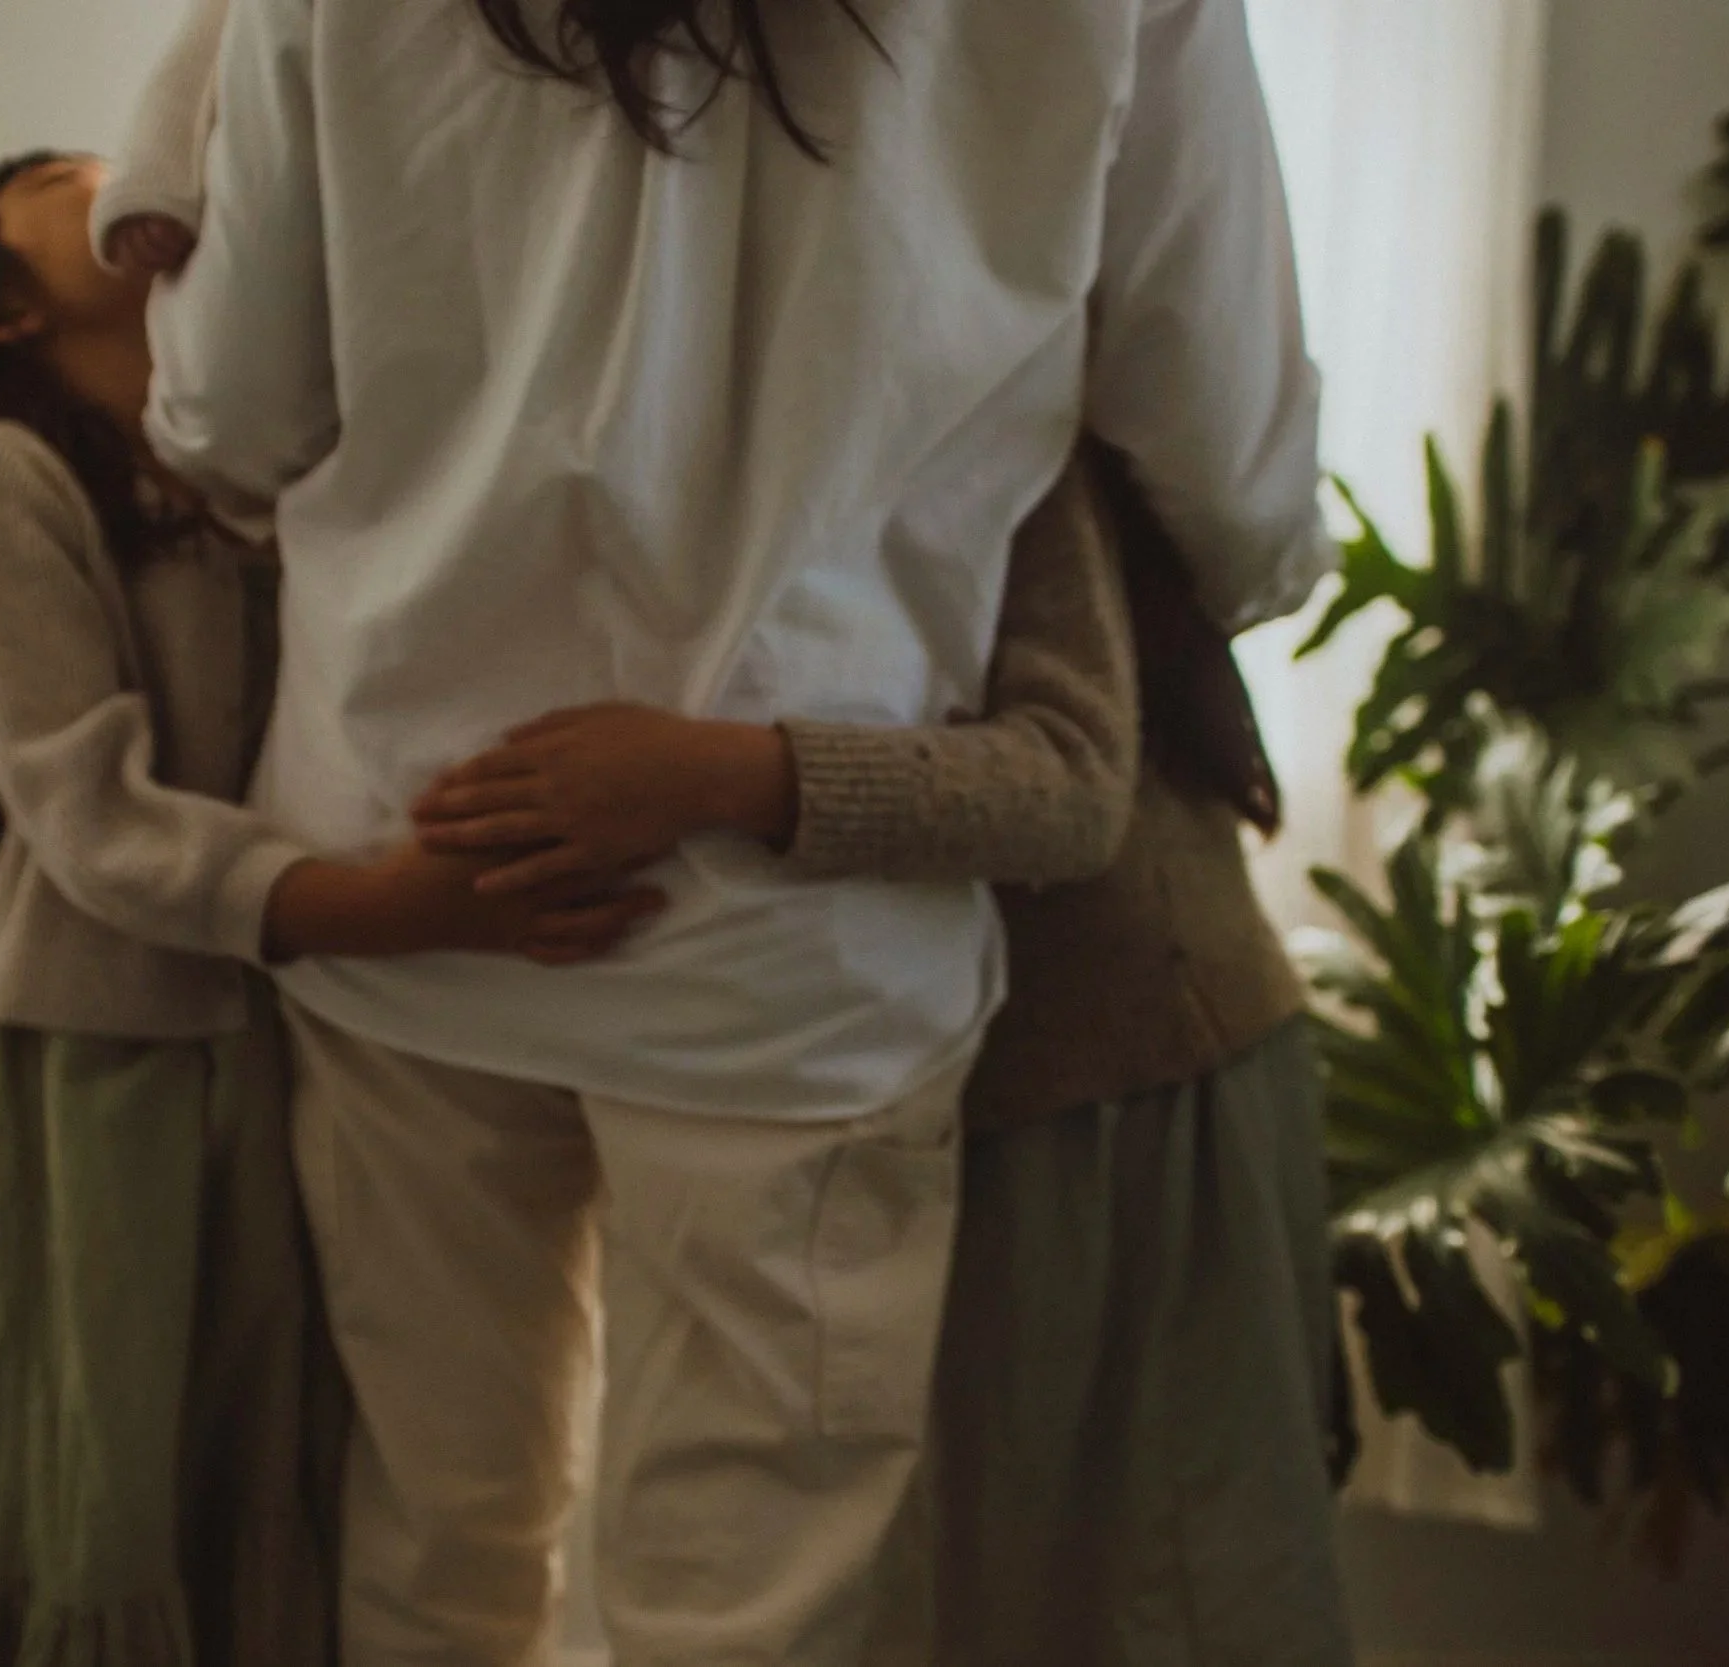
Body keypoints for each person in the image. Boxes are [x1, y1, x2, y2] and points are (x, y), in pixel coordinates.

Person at [132, 0, 1332, 1660]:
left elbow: (226, 413)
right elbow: (1232, 445)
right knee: (753, 1612)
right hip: (798, 955)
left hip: (415, 864)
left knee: (435, 1543)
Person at [0, 150, 660, 1667]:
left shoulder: (251, 463)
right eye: (63, 179)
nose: (117, 173)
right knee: (113, 1494)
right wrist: (400, 905)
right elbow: (89, 815)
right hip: (112, 1067)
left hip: (281, 1033)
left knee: (276, 1476)